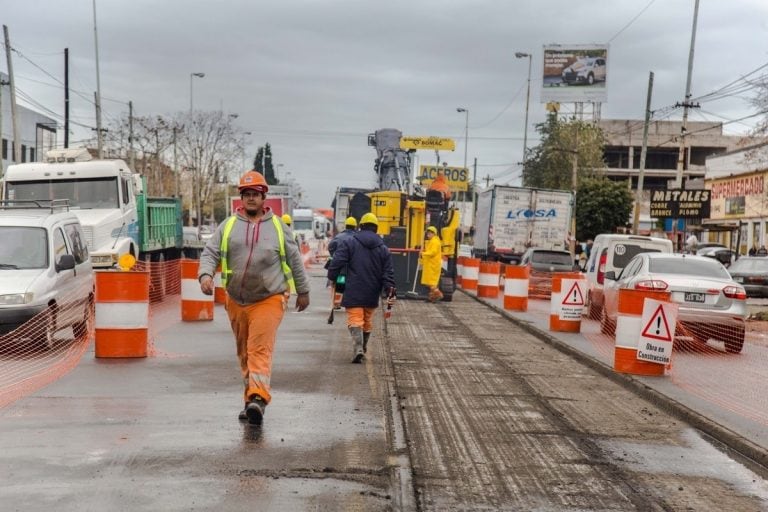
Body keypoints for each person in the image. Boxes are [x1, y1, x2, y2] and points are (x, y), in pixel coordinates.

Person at [198, 170, 310, 426]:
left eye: (255, 195)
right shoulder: (227, 227)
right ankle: (249, 400)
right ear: (241, 198)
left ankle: (258, 398)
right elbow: (210, 253)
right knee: (244, 353)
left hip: (269, 297)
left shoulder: (279, 228)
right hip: (236, 299)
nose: (250, 199)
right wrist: (205, 275)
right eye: (246, 194)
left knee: (259, 348)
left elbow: (295, 261)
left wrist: (303, 291)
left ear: (263, 197)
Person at [327, 212, 395, 363]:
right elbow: (388, 272)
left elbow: (337, 261)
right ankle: (363, 347)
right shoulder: (383, 248)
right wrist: (390, 289)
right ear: (376, 229)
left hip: (353, 288)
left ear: (361, 226)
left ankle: (358, 348)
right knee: (367, 319)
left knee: (355, 318)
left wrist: (332, 276)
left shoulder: (350, 242)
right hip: (372, 291)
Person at [420, 226, 444, 302]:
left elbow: (432, 252)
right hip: (430, 265)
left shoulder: (435, 242)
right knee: (429, 282)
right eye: (428, 233)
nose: (428, 234)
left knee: (431, 282)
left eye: (430, 233)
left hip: (433, 265)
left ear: (434, 234)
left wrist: (423, 253)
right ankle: (432, 298)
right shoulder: (431, 241)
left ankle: (438, 294)